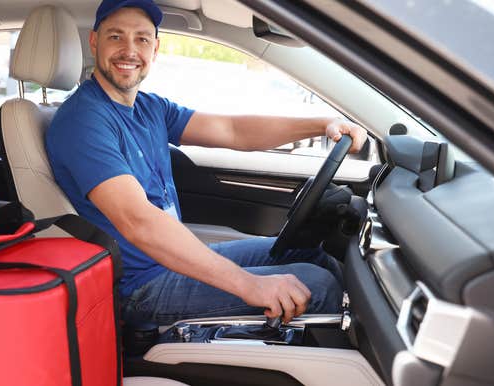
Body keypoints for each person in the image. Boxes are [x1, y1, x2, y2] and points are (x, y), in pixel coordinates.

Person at [46, 0, 368, 325]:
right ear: (94, 41)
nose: (129, 50)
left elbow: (233, 130)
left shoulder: (149, 108)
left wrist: (321, 124)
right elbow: (137, 220)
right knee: (319, 286)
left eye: (142, 39)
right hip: (139, 287)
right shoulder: (84, 119)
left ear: (155, 49)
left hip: (170, 262)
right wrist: (249, 285)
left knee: (310, 253)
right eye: (116, 37)